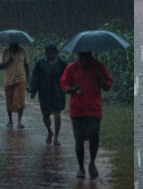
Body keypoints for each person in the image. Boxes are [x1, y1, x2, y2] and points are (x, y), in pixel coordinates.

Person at [60, 51, 113, 180]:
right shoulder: (72, 68)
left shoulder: (99, 67)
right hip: (77, 110)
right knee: (79, 140)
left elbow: (108, 85)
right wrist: (71, 89)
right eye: (82, 55)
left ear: (91, 54)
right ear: (79, 55)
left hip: (94, 110)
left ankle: (92, 163)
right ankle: (81, 168)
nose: (84, 58)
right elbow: (63, 84)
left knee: (94, 137)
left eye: (87, 55)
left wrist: (101, 79)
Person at [28, 43, 68, 145]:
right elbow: (35, 77)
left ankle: (56, 138)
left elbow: (68, 76)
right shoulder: (40, 63)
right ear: (46, 53)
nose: (51, 55)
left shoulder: (62, 63)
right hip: (44, 93)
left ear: (56, 52)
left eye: (53, 53)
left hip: (58, 92)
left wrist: (69, 87)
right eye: (49, 53)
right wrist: (33, 90)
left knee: (57, 113)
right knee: (46, 115)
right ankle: (50, 131)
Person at [0, 42, 29, 128]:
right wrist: (8, 61)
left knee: (20, 100)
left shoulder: (22, 51)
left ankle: (19, 121)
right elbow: (0, 67)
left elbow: (26, 65)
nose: (14, 45)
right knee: (9, 100)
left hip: (21, 79)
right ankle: (10, 120)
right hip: (9, 80)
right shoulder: (5, 52)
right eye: (12, 43)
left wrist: (28, 81)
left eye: (15, 43)